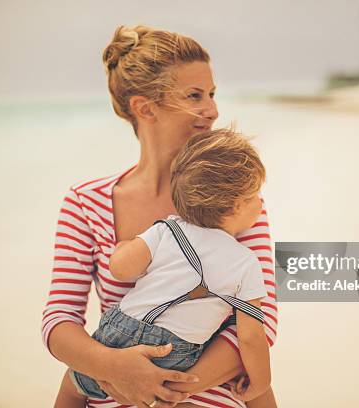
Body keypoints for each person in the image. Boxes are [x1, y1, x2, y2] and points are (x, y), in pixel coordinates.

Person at [42, 25, 278, 408]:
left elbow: (257, 327)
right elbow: (59, 318)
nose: (213, 110)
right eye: (195, 96)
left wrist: (164, 387)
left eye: (213, 94)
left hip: (209, 394)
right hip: (111, 391)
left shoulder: (235, 199)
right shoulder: (85, 202)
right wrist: (116, 368)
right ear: (144, 108)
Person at [57, 129, 271, 407]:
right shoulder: (245, 262)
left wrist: (123, 247)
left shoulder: (167, 229)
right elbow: (251, 337)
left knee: (73, 384)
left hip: (118, 330)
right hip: (177, 350)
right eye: (256, 197)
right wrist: (262, 381)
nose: (262, 203)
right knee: (262, 397)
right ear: (235, 207)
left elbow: (120, 269)